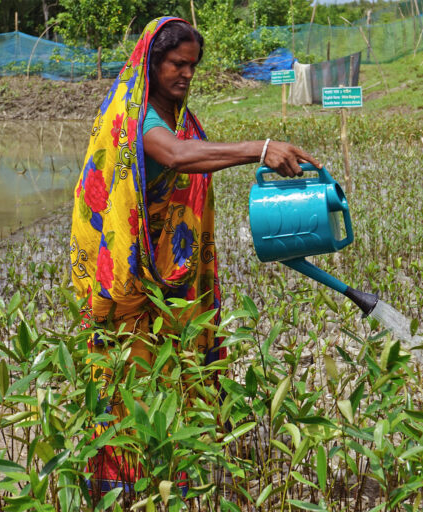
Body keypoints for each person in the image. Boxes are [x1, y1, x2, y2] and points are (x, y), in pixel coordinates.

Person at [69, 16, 319, 493]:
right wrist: (258, 148)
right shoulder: (136, 116)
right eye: (176, 64)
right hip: (131, 276)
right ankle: (122, 486)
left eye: (192, 66)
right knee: (131, 376)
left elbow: (191, 152)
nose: (185, 74)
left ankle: (171, 473)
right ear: (151, 62)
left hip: (171, 273)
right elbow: (178, 156)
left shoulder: (178, 116)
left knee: (172, 369)